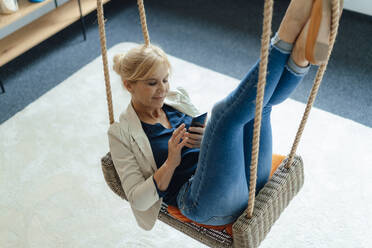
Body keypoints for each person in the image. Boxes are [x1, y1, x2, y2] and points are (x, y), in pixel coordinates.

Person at [108, 0, 342, 230]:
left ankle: (301, 53)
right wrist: (171, 162)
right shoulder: (121, 133)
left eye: (165, 79)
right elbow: (137, 199)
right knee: (225, 118)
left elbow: (216, 145)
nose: (163, 89)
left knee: (258, 109)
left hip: (242, 180)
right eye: (152, 83)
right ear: (129, 85)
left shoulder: (175, 98)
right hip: (199, 201)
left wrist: (203, 139)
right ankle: (291, 28)